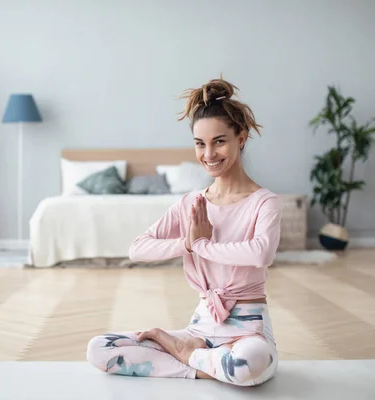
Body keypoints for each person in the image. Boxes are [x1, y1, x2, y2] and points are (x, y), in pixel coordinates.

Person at [86, 77, 282, 386]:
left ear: (241, 138)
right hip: (199, 330)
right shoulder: (192, 202)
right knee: (100, 349)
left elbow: (261, 252)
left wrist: (201, 244)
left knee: (249, 363)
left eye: (219, 141)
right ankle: (204, 362)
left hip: (248, 333)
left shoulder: (264, 202)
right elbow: (138, 248)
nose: (209, 154)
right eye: (199, 144)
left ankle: (186, 355)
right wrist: (187, 245)